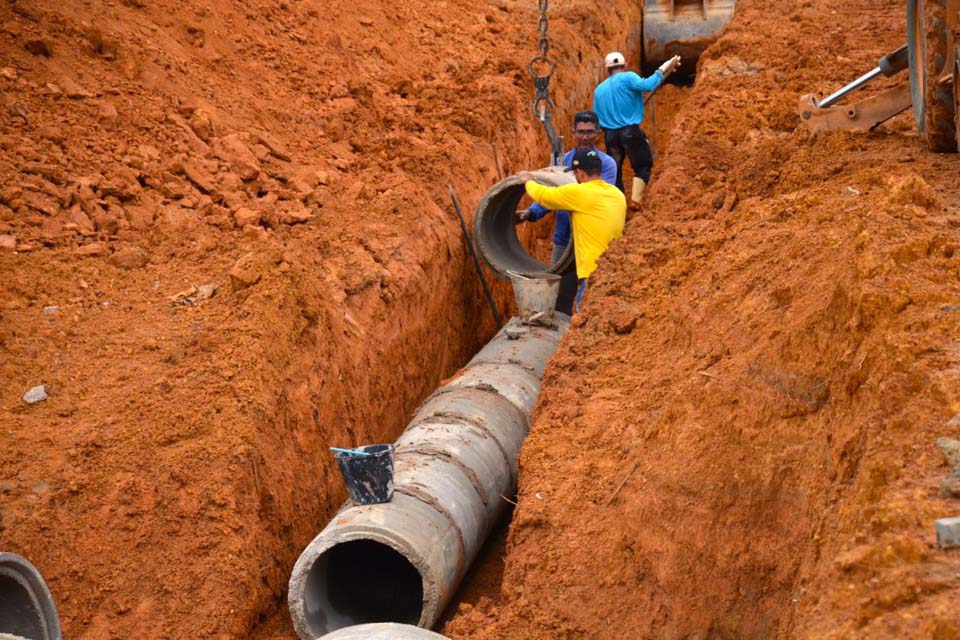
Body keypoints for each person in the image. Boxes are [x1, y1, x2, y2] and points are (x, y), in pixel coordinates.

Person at [519, 148, 626, 312]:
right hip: (614, 271)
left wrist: (528, 180)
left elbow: (544, 195)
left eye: (575, 175)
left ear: (581, 173)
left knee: (584, 317)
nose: (575, 178)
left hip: (592, 274)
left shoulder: (580, 192)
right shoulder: (617, 195)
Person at [516, 110, 617, 266]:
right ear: (573, 133)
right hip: (563, 237)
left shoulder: (606, 164)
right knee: (560, 287)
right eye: (581, 132)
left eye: (590, 132)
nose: (585, 137)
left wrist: (531, 183)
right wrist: (532, 212)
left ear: (598, 134)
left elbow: (596, 197)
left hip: (592, 238)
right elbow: (551, 191)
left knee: (591, 284)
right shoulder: (562, 160)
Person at [592, 51, 681, 207]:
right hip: (630, 133)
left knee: (615, 171)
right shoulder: (628, 77)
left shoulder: (599, 90)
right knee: (643, 165)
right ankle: (636, 200)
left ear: (607, 69)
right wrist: (662, 70)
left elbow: (596, 118)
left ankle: (618, 206)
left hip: (610, 136)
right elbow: (648, 85)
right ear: (624, 65)